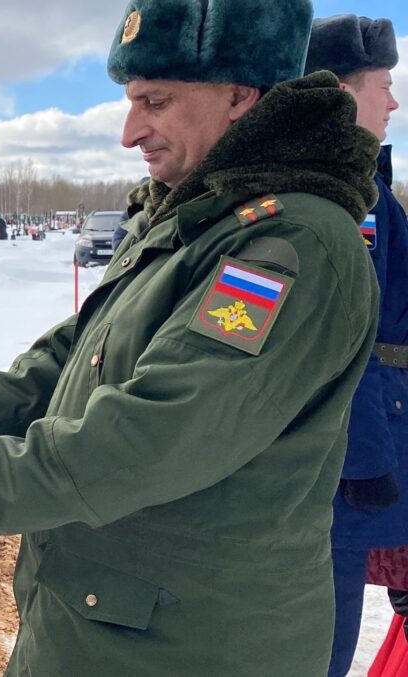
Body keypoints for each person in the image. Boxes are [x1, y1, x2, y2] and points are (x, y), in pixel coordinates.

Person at [0, 1, 381, 674]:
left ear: (240, 92)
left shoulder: (286, 244)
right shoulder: (191, 213)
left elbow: (142, 442)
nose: (129, 131)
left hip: (189, 647)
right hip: (100, 627)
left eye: (155, 100)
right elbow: (61, 364)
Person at [304, 15, 408, 677]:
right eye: (385, 86)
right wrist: (369, 470)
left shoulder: (363, 181)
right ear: (344, 95)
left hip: (376, 443)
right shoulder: (350, 196)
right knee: (327, 644)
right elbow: (352, 340)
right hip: (357, 464)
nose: (395, 101)